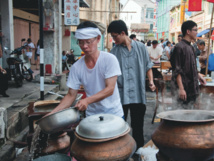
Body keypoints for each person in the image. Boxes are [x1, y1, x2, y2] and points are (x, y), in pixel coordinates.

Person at [49, 21, 124, 118]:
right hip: (92, 116)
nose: (84, 46)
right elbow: (71, 95)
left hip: (113, 114)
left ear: (98, 39)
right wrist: (52, 114)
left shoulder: (109, 59)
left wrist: (87, 100)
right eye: (81, 42)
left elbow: (110, 89)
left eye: (88, 42)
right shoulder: (77, 67)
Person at [107, 20, 156, 150]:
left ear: (123, 33)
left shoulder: (141, 47)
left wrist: (151, 81)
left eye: (115, 36)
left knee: (138, 126)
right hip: (120, 96)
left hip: (138, 94)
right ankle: (121, 152)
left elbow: (148, 66)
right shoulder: (114, 52)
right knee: (119, 126)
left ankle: (138, 151)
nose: (114, 39)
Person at [171, 20, 206, 108]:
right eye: (195, 30)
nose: (196, 32)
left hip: (192, 88)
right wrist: (181, 89)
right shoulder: (179, 47)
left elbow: (193, 66)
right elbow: (177, 70)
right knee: (181, 115)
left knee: (191, 115)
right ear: (188, 31)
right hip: (184, 88)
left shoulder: (191, 47)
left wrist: (199, 76)